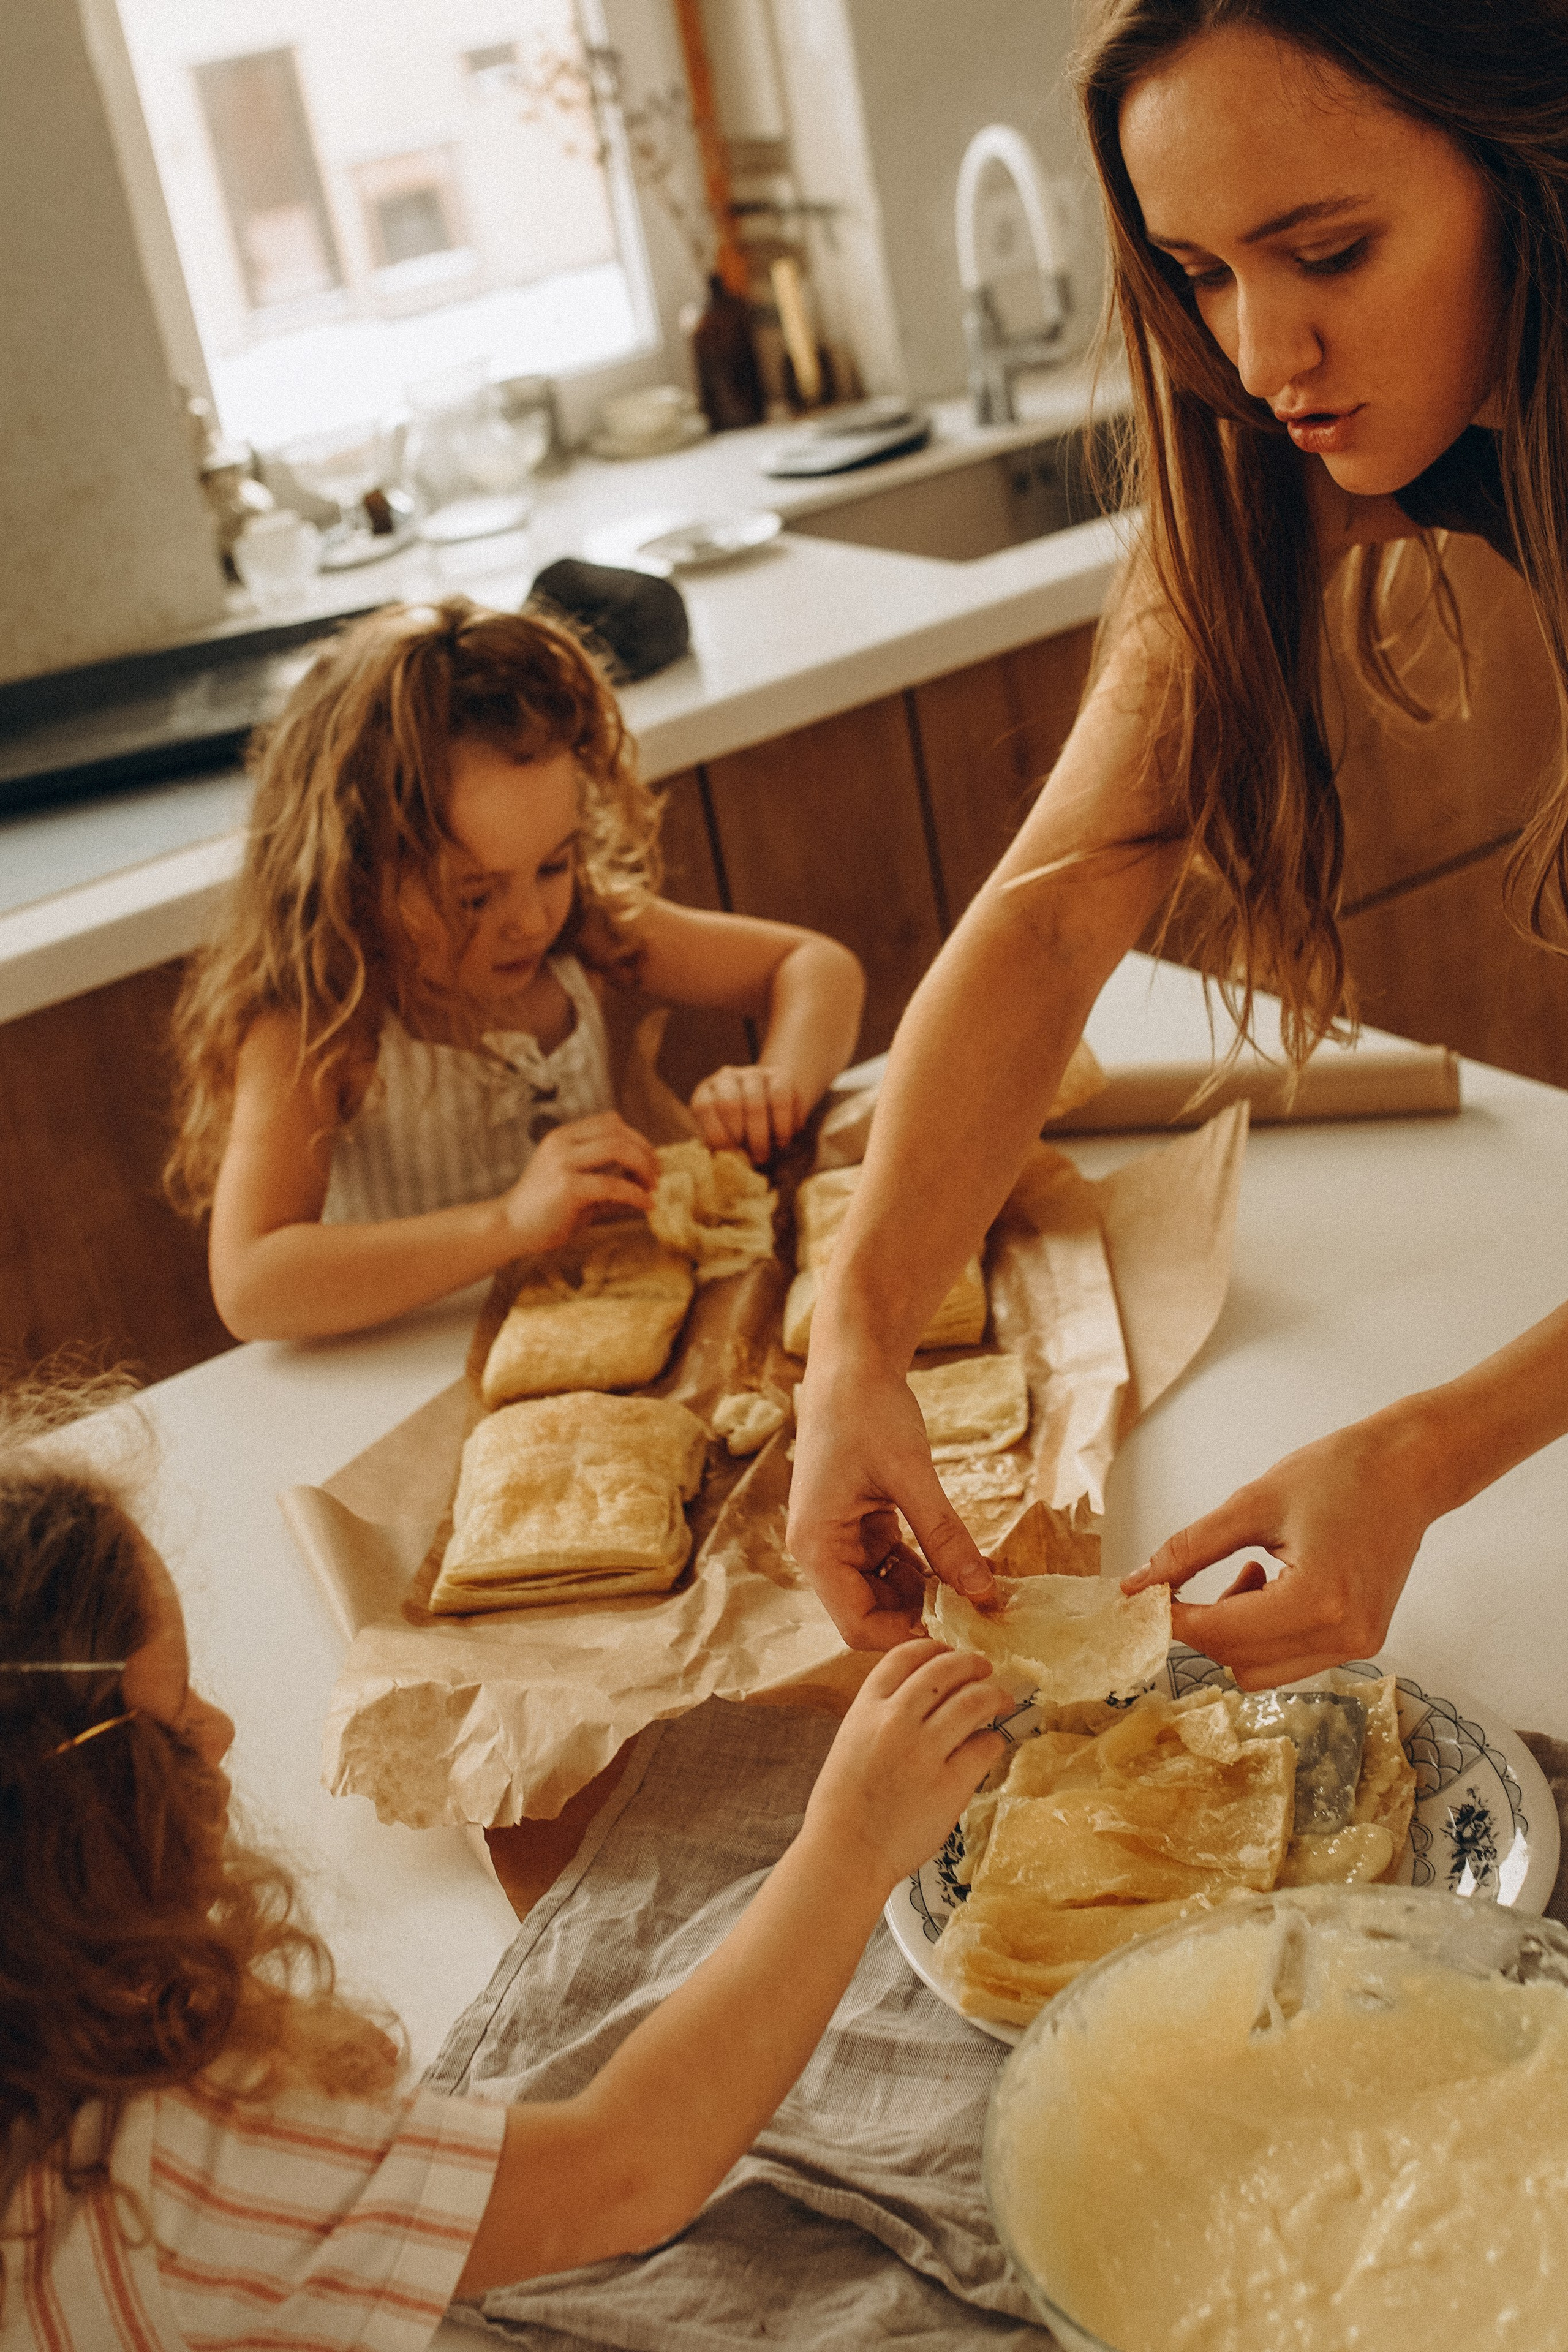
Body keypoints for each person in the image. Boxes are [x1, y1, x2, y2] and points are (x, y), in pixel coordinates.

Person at [788, 0, 1568, 1686]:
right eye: (1200, 272)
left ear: (1525, 166)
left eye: (1330, 252)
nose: (1263, 352)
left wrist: (1423, 1452)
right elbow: (1055, 912)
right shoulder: (1280, 440)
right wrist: (852, 1340)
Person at [0, 1387, 1002, 2346]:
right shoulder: (148, 2177)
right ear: (61, 1859)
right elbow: (626, 2173)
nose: (220, 1730)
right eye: (172, 1729)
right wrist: (852, 1843)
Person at [167, 597, 864, 1341]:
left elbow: (815, 966)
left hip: (602, 1329)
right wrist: (507, 1223)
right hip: (412, 1369)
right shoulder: (320, 1020)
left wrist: (776, 1086)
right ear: (355, 875)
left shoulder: (586, 932)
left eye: (554, 864)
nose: (531, 920)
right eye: (473, 896)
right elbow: (252, 1283)